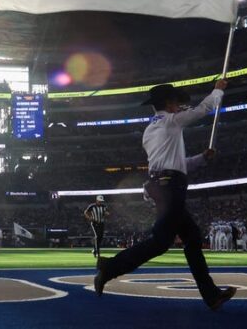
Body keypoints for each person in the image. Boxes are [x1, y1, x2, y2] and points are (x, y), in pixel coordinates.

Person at [94, 81, 237, 311]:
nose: (179, 106)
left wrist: (202, 158)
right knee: (161, 242)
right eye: (177, 103)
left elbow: (176, 164)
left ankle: (211, 295)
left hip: (164, 184)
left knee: (191, 237)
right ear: (169, 104)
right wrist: (218, 89)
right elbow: (203, 109)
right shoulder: (171, 122)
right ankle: (109, 268)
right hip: (170, 187)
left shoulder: (152, 129)